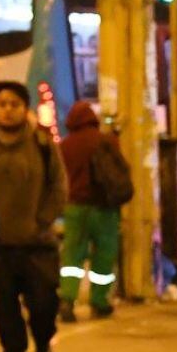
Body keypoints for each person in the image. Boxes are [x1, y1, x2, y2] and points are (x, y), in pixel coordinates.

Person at [0, 81, 66, 352]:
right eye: (2, 104)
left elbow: (58, 185)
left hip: (37, 244)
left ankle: (42, 341)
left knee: (43, 305)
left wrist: (43, 219)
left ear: (24, 108)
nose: (8, 110)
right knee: (6, 310)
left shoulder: (42, 144)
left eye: (14, 104)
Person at [57, 100, 131, 321]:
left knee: (72, 257)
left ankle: (68, 300)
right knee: (104, 257)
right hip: (104, 208)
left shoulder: (65, 145)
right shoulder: (107, 141)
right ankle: (99, 301)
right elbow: (121, 169)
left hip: (75, 208)